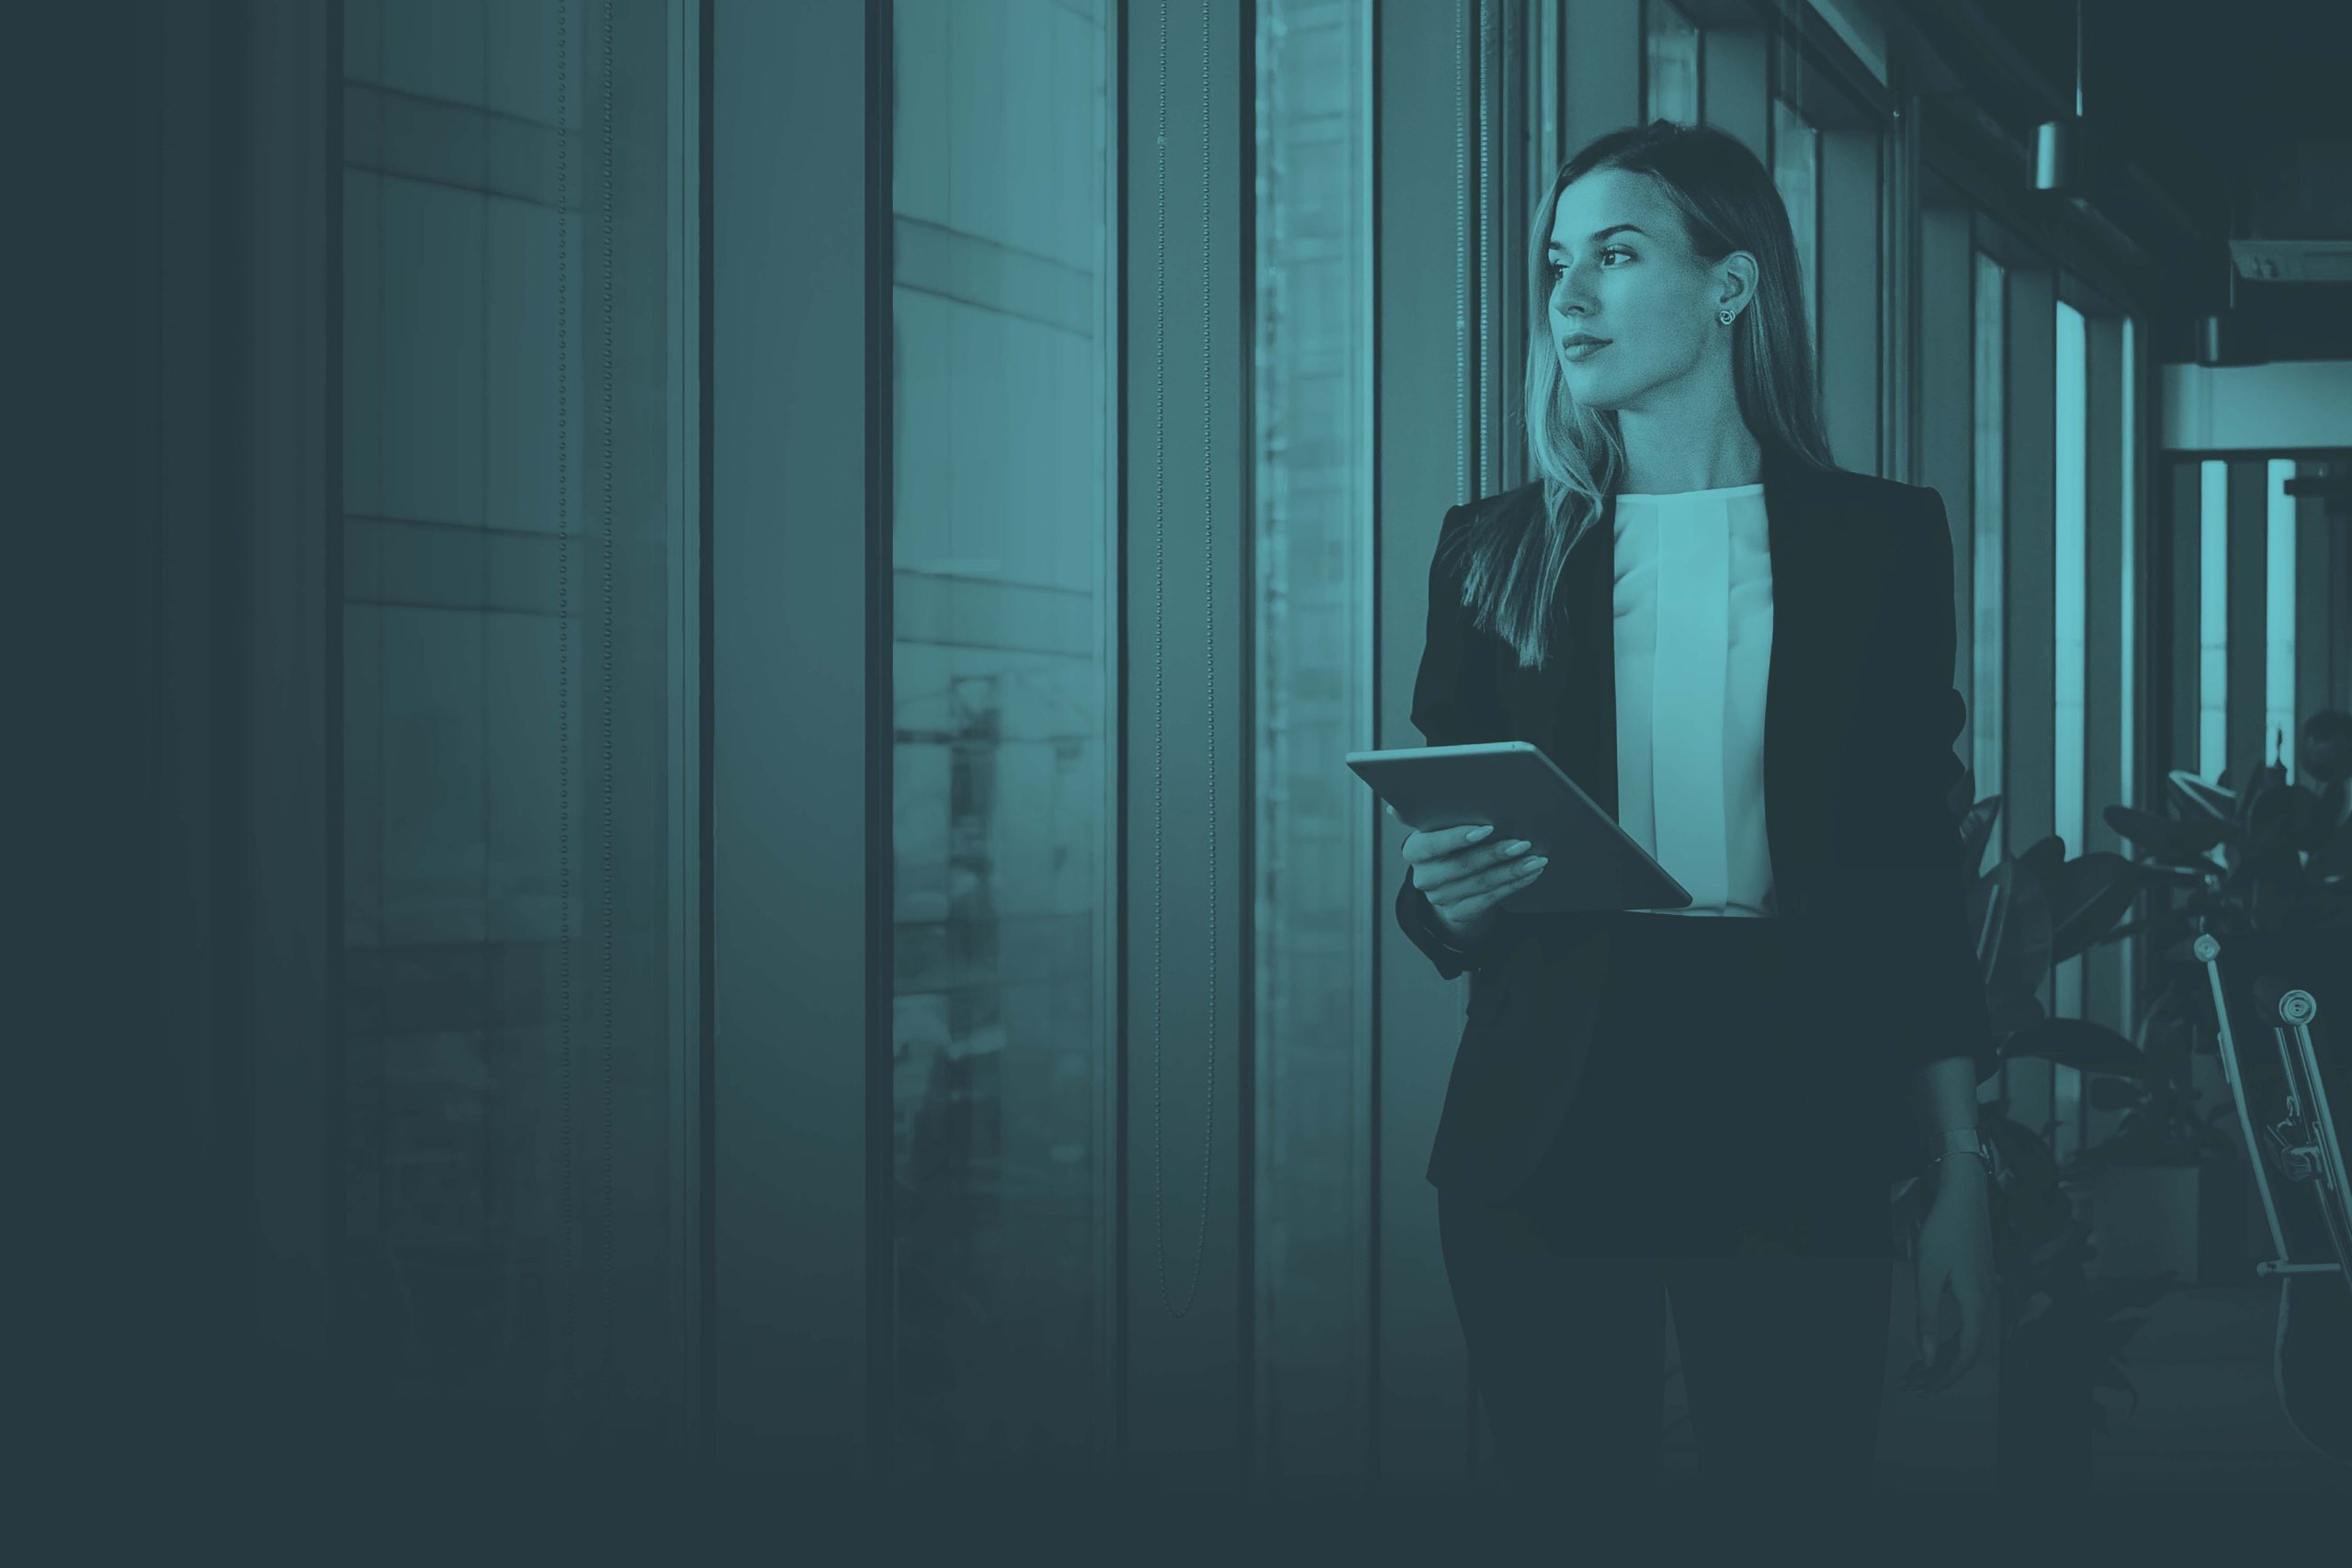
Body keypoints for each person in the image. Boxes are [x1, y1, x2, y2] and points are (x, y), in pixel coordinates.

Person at [1390, 120, 2001, 1520]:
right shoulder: (1494, 549)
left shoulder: (1880, 539)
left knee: (1796, 1504)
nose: (1570, 297)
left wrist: (1959, 1169)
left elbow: (1910, 869)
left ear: (1732, 286)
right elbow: (1442, 878)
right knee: (1568, 1511)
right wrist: (1448, 893)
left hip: (1794, 1091)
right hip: (1551, 1106)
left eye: (1617, 254)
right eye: (1558, 263)